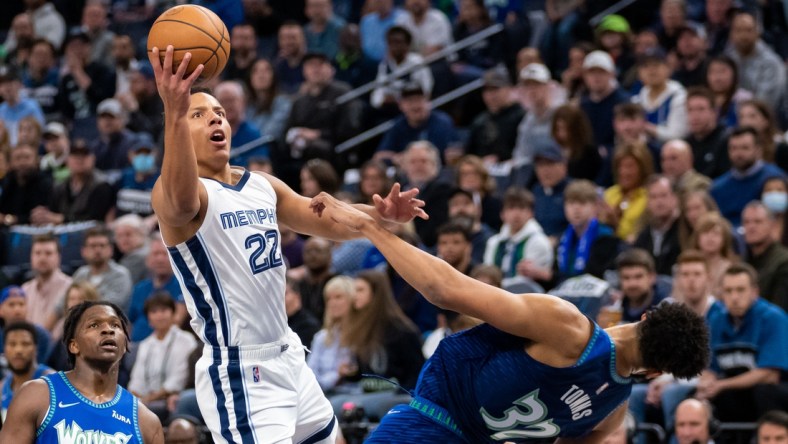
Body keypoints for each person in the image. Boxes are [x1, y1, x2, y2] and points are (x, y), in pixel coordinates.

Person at [147, 44, 426, 443]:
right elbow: (178, 200)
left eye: (220, 113)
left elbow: (326, 219)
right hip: (241, 371)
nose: (215, 118)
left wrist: (380, 215)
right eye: (200, 114)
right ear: (179, 131)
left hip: (289, 354)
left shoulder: (261, 184)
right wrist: (174, 110)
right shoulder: (180, 195)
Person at [309, 192, 711, 442]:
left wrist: (370, 227)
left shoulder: (570, 328)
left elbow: (444, 290)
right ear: (658, 372)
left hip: (434, 423)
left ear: (647, 315)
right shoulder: (611, 414)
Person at [0, 301, 163, 442]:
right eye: (94, 325)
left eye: (115, 325)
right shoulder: (36, 395)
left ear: (125, 344)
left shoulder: (146, 421)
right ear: (74, 345)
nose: (108, 330)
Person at [698, 263, 788, 421]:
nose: (734, 297)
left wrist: (721, 385)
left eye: (740, 290)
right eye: (728, 291)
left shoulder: (773, 318)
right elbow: (709, 368)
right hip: (735, 390)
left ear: (754, 292)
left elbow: (769, 375)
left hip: (774, 391)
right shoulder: (715, 319)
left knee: (764, 392)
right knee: (697, 398)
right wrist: (707, 383)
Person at [128, 293, 198, 421]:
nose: (159, 315)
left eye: (164, 310)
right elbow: (137, 379)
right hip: (145, 399)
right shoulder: (145, 344)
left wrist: (148, 399)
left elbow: (179, 378)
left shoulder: (186, 340)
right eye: (154, 311)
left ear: (173, 314)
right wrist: (135, 398)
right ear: (148, 318)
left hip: (172, 397)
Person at [1, 321, 55, 421]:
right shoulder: (2, 388)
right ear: (4, 350)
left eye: (25, 344)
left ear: (36, 348)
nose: (18, 350)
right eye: (12, 344)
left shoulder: (53, 382)